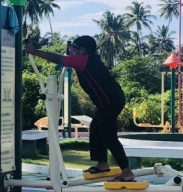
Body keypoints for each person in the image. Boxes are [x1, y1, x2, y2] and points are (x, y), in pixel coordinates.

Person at [24, 36, 136, 181]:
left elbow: (60, 59)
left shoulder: (84, 59)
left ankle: (127, 172)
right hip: (108, 101)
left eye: (74, 48)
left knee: (108, 135)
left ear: (82, 50)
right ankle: (102, 164)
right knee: (96, 128)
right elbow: (65, 61)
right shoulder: (85, 59)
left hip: (110, 101)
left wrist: (35, 51)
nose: (71, 50)